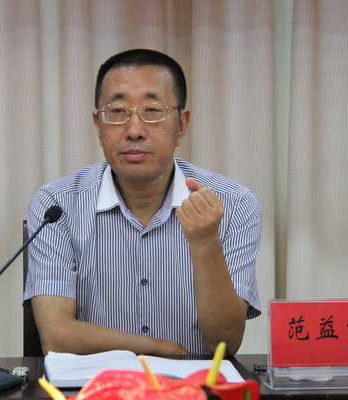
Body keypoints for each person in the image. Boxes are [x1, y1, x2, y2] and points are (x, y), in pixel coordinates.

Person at [24, 49, 261, 356]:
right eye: (117, 111)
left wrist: (205, 242)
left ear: (181, 124)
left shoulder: (234, 204)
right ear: (98, 125)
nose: (134, 131)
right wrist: (159, 349)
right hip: (98, 382)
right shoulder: (58, 204)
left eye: (152, 110)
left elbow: (224, 344)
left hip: (194, 382)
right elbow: (56, 336)